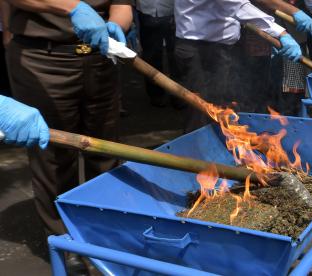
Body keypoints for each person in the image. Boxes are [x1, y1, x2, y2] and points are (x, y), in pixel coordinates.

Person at [4, 1, 132, 272]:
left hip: (100, 58)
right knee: (54, 158)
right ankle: (66, 241)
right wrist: (73, 7)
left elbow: (122, 6)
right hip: (44, 60)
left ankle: (103, 233)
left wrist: (114, 27)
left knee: (106, 153)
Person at [174, 0, 302, 132]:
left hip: (220, 48)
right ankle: (197, 149)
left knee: (221, 104)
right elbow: (238, 6)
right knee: (200, 110)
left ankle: (219, 141)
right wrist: (281, 33)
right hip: (200, 50)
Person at [135, 0, 181, 108]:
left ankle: (179, 95)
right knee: (151, 55)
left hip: (175, 12)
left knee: (177, 55)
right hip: (147, 11)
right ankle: (156, 94)